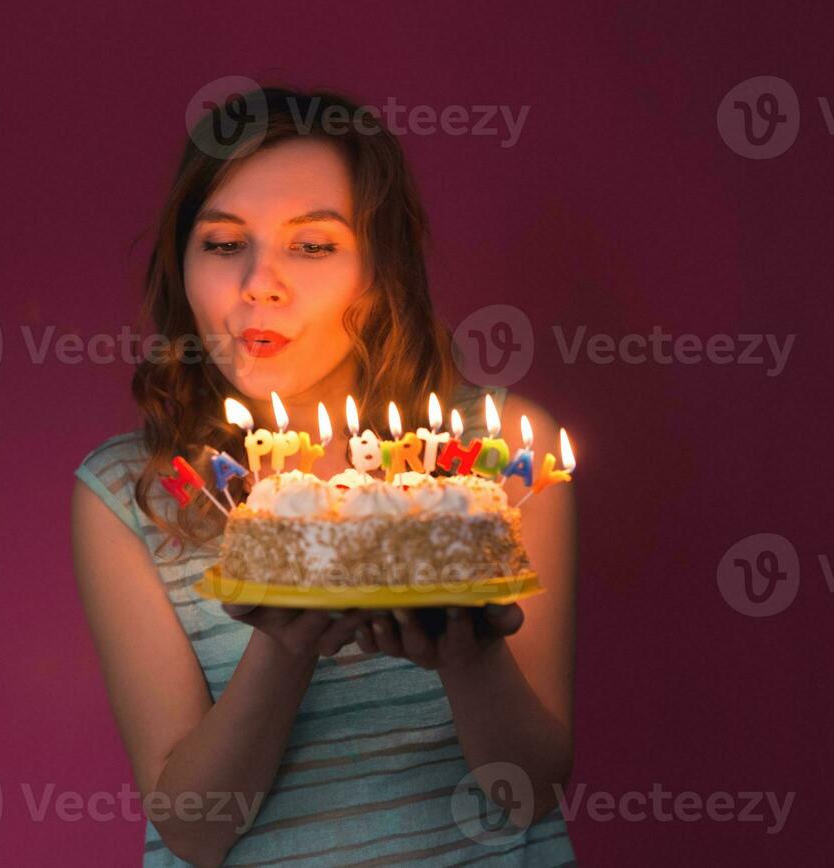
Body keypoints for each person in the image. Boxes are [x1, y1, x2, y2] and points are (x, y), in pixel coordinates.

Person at [71, 87, 578, 866]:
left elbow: (529, 794)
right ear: (182, 264)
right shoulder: (138, 492)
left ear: (381, 270)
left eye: (312, 246)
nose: (258, 283)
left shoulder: (498, 459)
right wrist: (283, 646)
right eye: (221, 242)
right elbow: (195, 830)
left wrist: (469, 655)